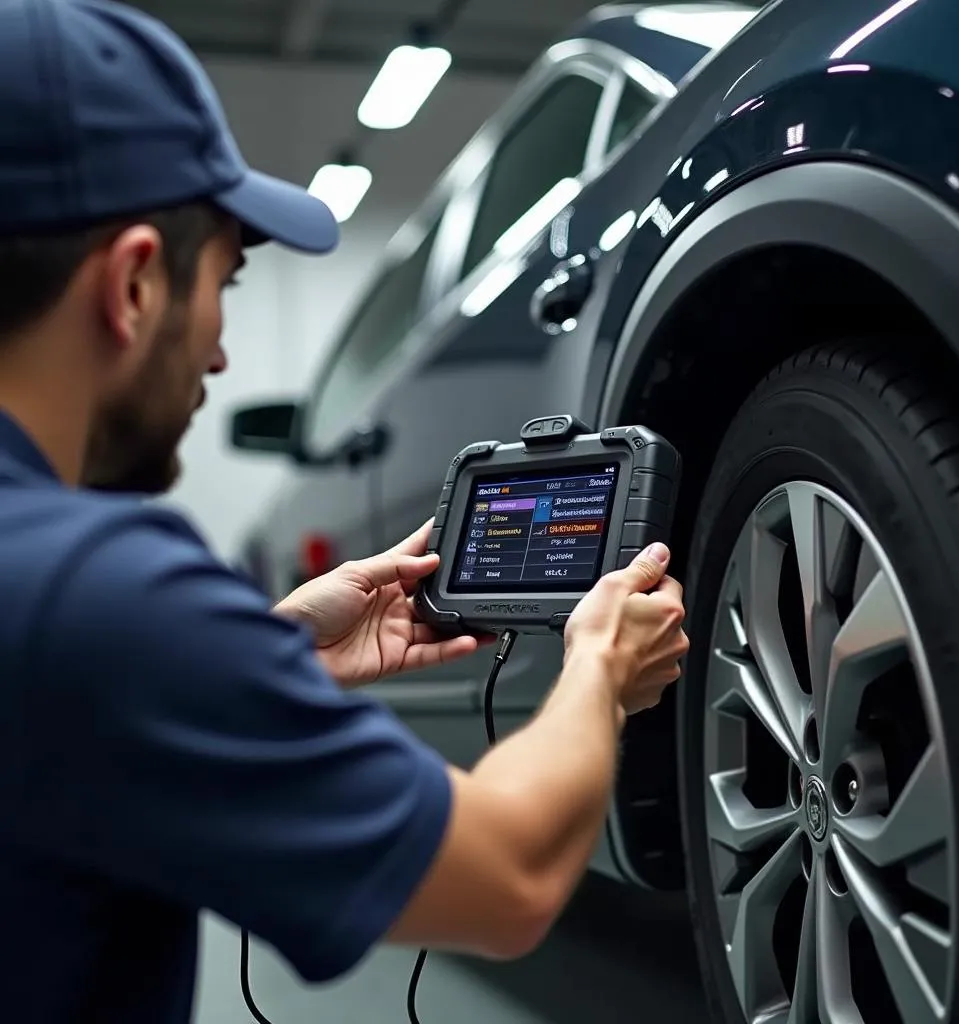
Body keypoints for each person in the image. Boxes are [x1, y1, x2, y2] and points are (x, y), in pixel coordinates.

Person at [0, 1, 689, 1021]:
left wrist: (260, 656)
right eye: (225, 286)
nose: (223, 353)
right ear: (136, 282)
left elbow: (78, 714)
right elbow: (509, 877)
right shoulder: (91, 592)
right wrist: (597, 668)